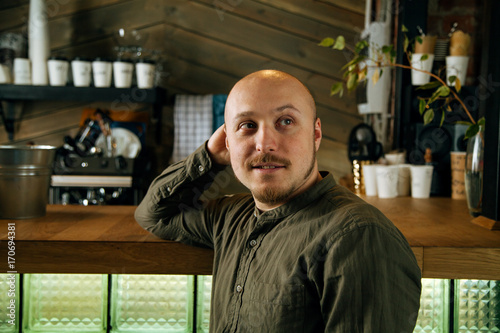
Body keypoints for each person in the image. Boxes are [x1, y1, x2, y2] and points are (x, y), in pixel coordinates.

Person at [135, 70, 422, 332]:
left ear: (316, 133)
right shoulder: (231, 216)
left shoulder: (359, 236)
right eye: (247, 125)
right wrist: (208, 156)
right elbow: (155, 214)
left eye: (285, 121)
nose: (265, 143)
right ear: (227, 142)